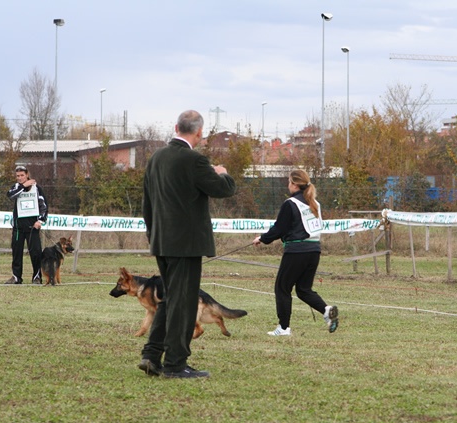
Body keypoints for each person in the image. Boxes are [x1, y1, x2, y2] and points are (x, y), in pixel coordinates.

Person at [138, 110, 236, 379]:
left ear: (175, 127)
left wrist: (153, 235)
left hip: (161, 241)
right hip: (186, 245)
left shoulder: (156, 158)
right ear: (199, 132)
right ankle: (175, 364)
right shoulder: (194, 160)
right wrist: (223, 173)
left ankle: (151, 354)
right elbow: (223, 189)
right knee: (183, 303)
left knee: (170, 300)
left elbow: (147, 203)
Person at [253, 169, 338, 336]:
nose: (288, 185)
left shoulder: (290, 203)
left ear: (293, 184)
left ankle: (283, 328)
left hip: (296, 251)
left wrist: (262, 238)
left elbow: (280, 228)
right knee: (303, 289)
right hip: (314, 251)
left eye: (289, 181)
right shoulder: (315, 203)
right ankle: (327, 310)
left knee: (282, 288)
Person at [5, 165, 48, 285]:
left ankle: (37, 277)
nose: (19, 178)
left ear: (27, 175)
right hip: (18, 227)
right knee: (17, 253)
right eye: (17, 176)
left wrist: (40, 221)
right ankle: (16, 277)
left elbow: (43, 206)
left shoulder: (36, 188)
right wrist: (23, 186)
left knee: (36, 253)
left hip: (32, 227)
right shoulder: (16, 187)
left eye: (22, 175)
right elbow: (10, 196)